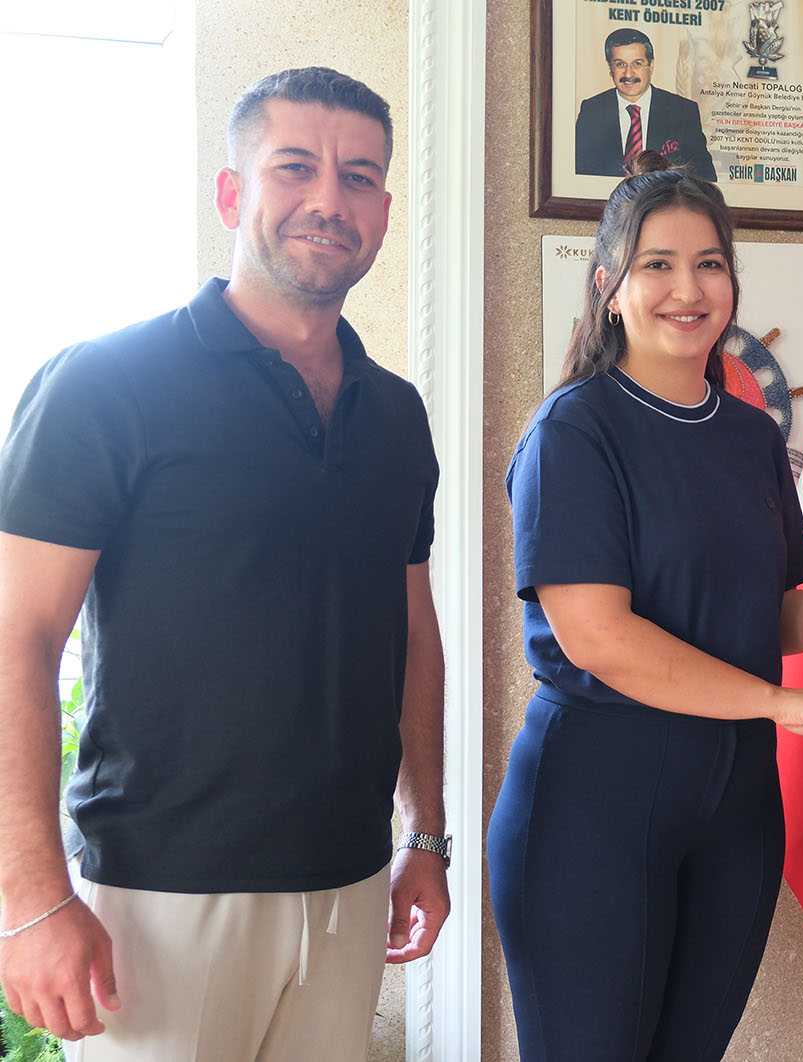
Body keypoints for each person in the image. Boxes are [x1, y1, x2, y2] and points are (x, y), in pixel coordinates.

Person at [0, 67, 448, 1059]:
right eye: (295, 167)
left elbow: (412, 632)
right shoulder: (105, 385)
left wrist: (425, 835)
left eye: (359, 176)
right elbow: (15, 638)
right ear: (232, 192)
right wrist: (29, 895)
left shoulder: (395, 414)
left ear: (383, 212)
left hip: (349, 886)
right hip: (157, 899)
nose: (329, 199)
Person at [488, 153, 803, 1061]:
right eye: (657, 264)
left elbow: (755, 619)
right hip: (596, 802)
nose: (688, 289)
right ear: (608, 287)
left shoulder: (749, 436)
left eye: (710, 263)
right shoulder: (574, 431)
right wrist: (777, 703)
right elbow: (601, 639)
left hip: (736, 804)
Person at [574, 27, 716, 181]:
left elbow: (705, 177)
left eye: (637, 64)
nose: (629, 74)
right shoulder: (591, 111)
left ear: (651, 65)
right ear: (610, 68)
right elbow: (579, 173)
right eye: (620, 64)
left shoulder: (683, 111)